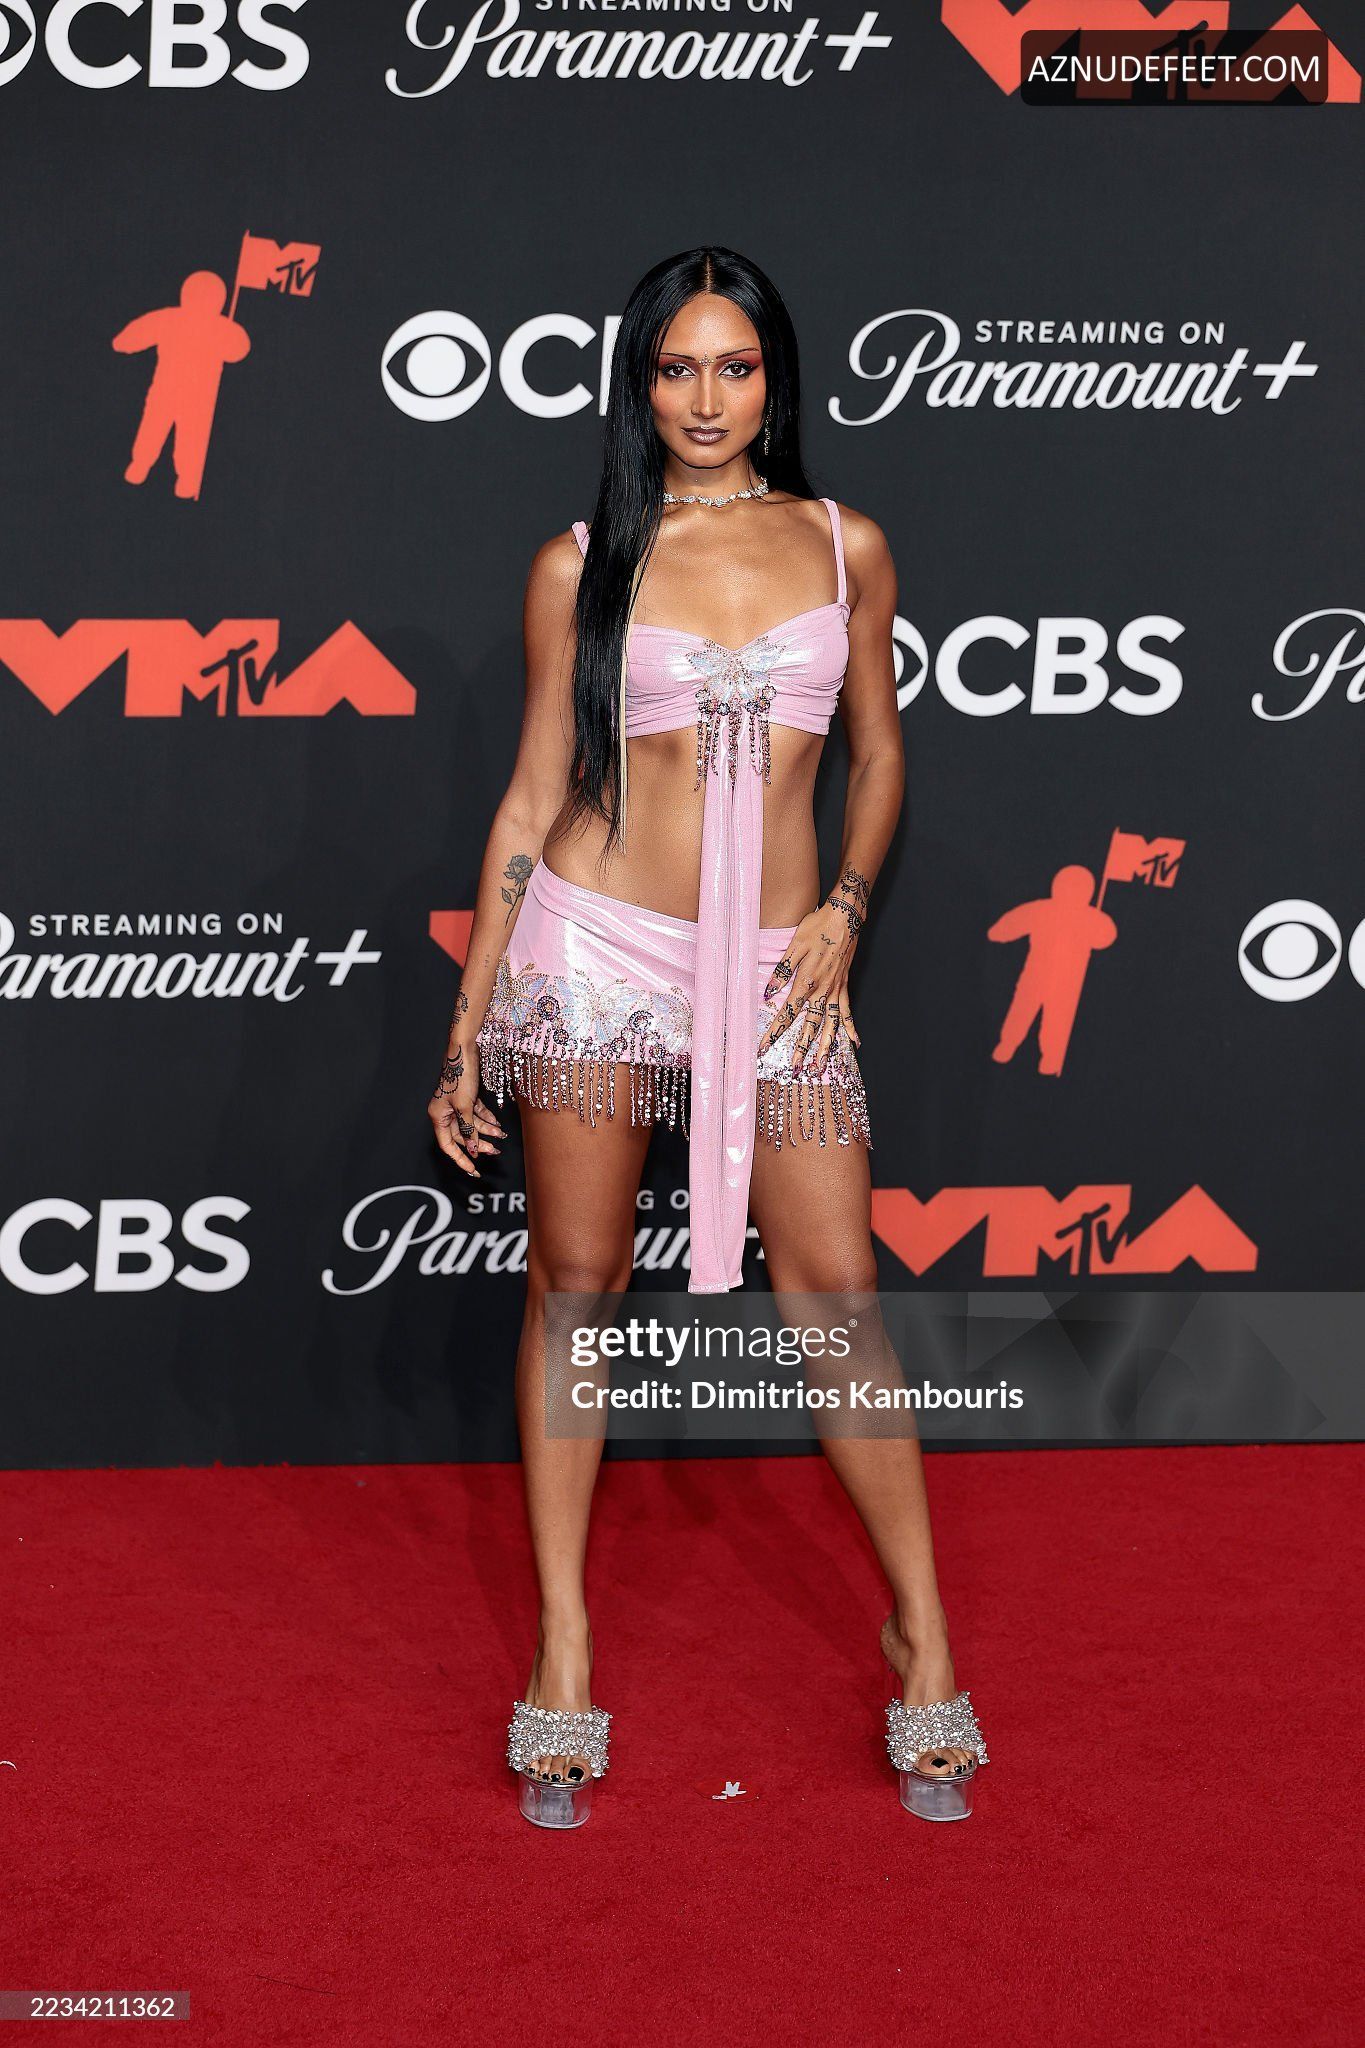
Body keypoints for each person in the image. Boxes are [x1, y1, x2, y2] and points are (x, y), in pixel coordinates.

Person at [427, 248, 988, 1828]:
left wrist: (846, 909)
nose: (704, 398)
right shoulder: (579, 564)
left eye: (733, 367)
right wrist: (471, 1024)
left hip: (782, 970)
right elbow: (533, 798)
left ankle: (922, 1638)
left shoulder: (842, 543)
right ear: (637, 385)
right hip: (596, 953)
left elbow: (879, 756)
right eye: (675, 368)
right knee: (576, 1289)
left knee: (836, 1300)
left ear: (774, 381)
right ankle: (563, 1646)